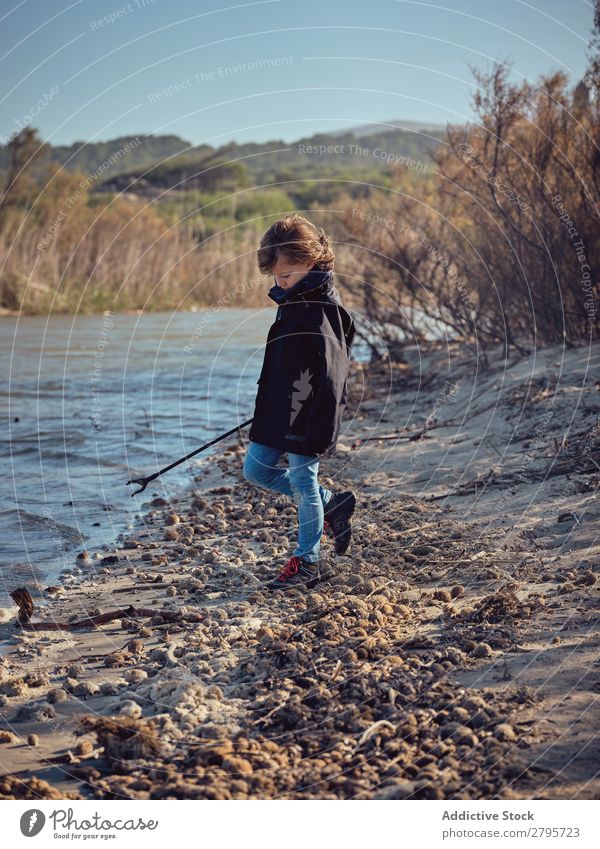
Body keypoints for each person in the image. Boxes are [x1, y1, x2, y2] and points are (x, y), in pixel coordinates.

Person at [243, 214, 357, 590]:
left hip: (307, 415)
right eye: (275, 277)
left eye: (285, 275)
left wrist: (318, 427)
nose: (279, 283)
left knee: (303, 481)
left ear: (309, 263)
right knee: (256, 471)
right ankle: (331, 503)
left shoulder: (323, 308)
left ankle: (308, 561)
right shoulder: (295, 296)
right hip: (279, 407)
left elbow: (332, 375)